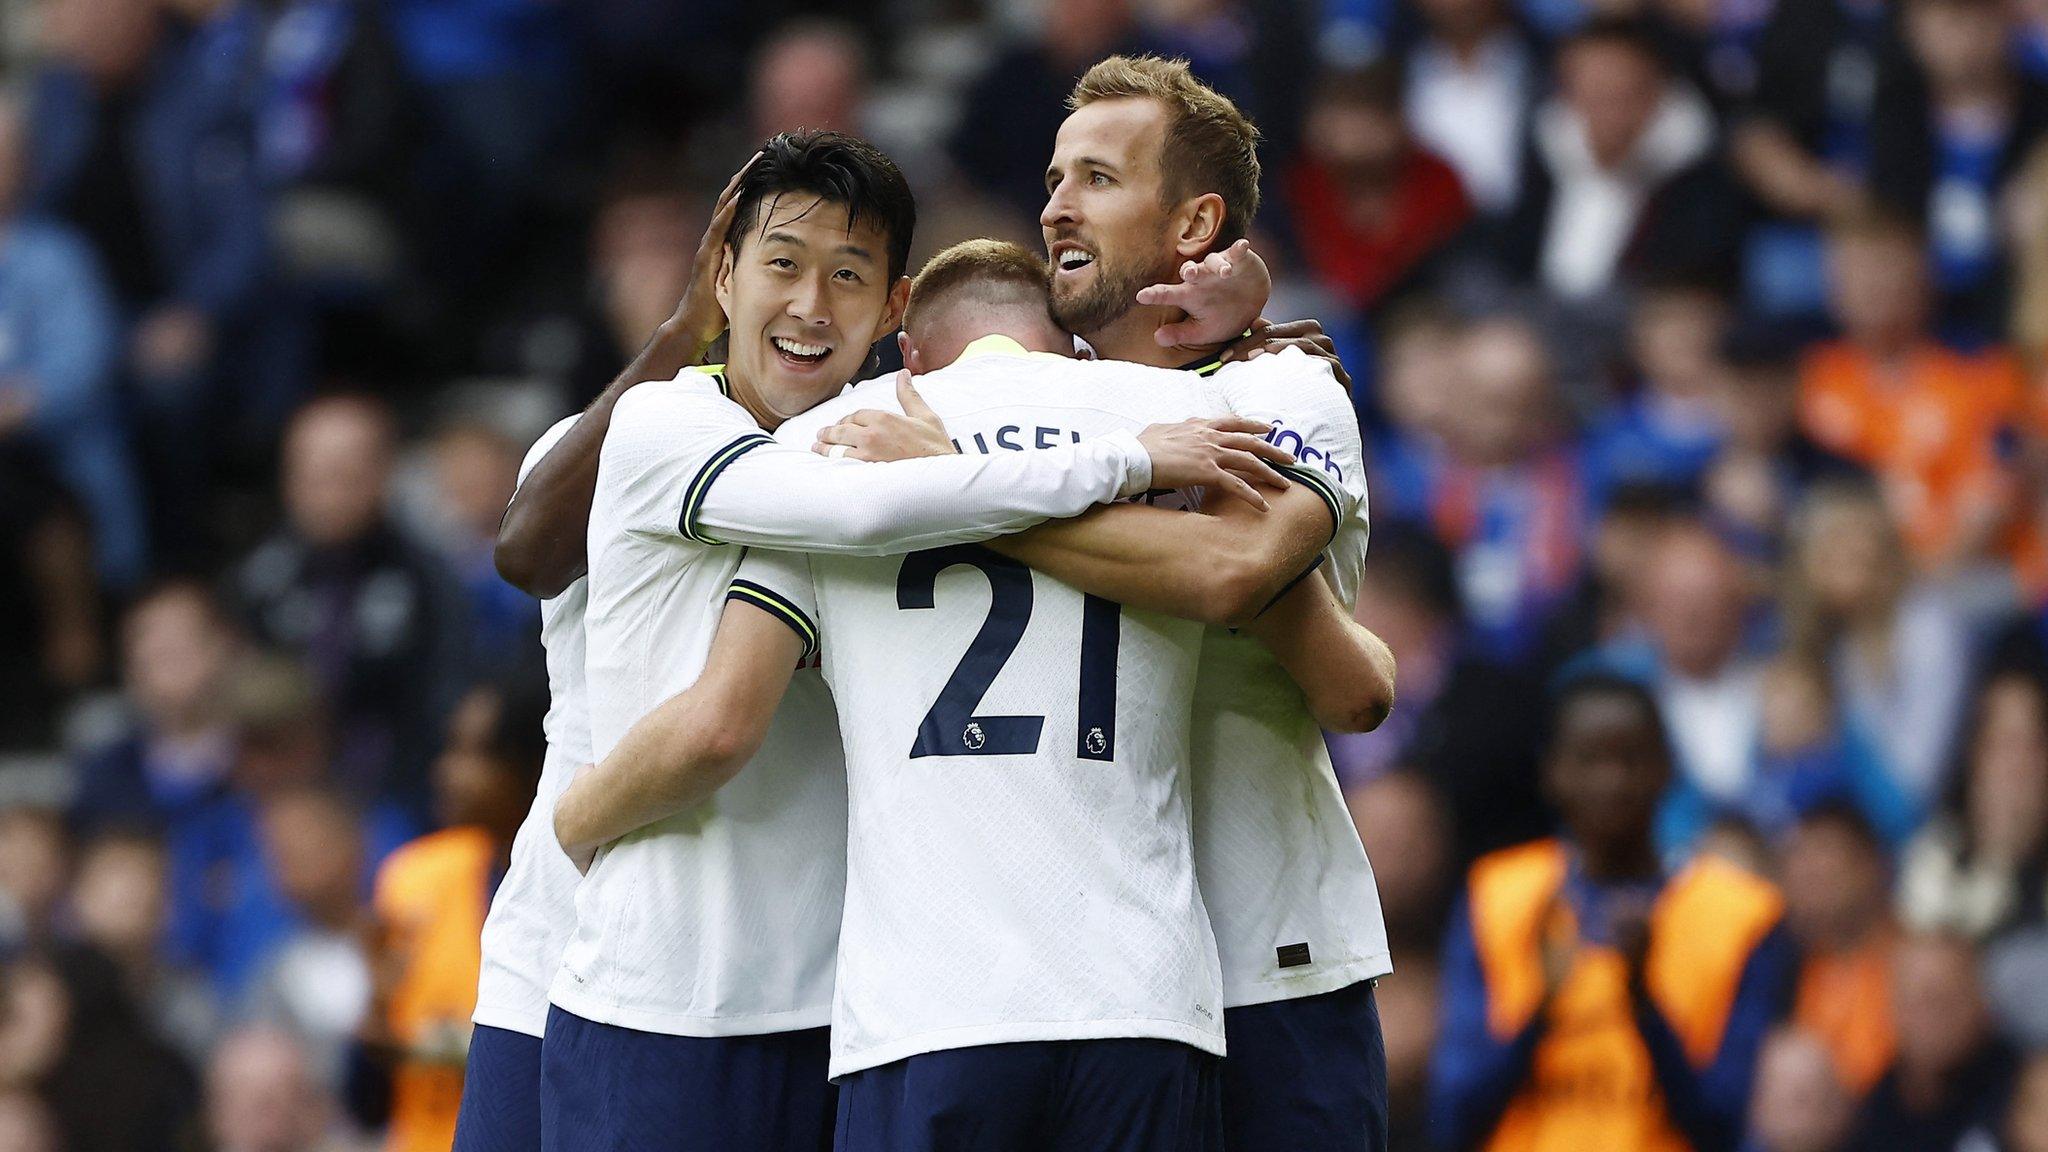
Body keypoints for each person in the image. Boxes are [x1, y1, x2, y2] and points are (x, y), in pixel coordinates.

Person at [521, 131, 1291, 1152]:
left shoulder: (852, 443)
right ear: (723, 274)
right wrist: (1164, 425)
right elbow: (540, 555)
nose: (808, 306)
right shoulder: (683, 428)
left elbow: (724, 707)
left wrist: (576, 822)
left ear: (897, 320)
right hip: (678, 995)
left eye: (846, 277)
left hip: (852, 1011)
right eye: (782, 266)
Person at [1429, 672, 1793, 1152]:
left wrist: (1643, 1001)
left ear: (1666, 767)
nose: (1612, 780)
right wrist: (1540, 1011)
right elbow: (1454, 1119)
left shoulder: (1741, 913)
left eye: (1631, 758)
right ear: (1552, 771)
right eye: (1589, 759)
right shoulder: (1496, 896)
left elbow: (1723, 1125)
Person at [366, 677, 547, 1152]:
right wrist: (373, 1015)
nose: (448, 771)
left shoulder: (584, 885)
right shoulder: (412, 878)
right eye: (451, 749)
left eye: (478, 753)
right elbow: (365, 1090)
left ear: (534, 765)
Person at [1843, 932, 2019, 1151]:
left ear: (1981, 1004)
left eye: (1941, 1000)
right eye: (1914, 1000)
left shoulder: (2023, 1098)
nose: (1928, 1020)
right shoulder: (1872, 1109)